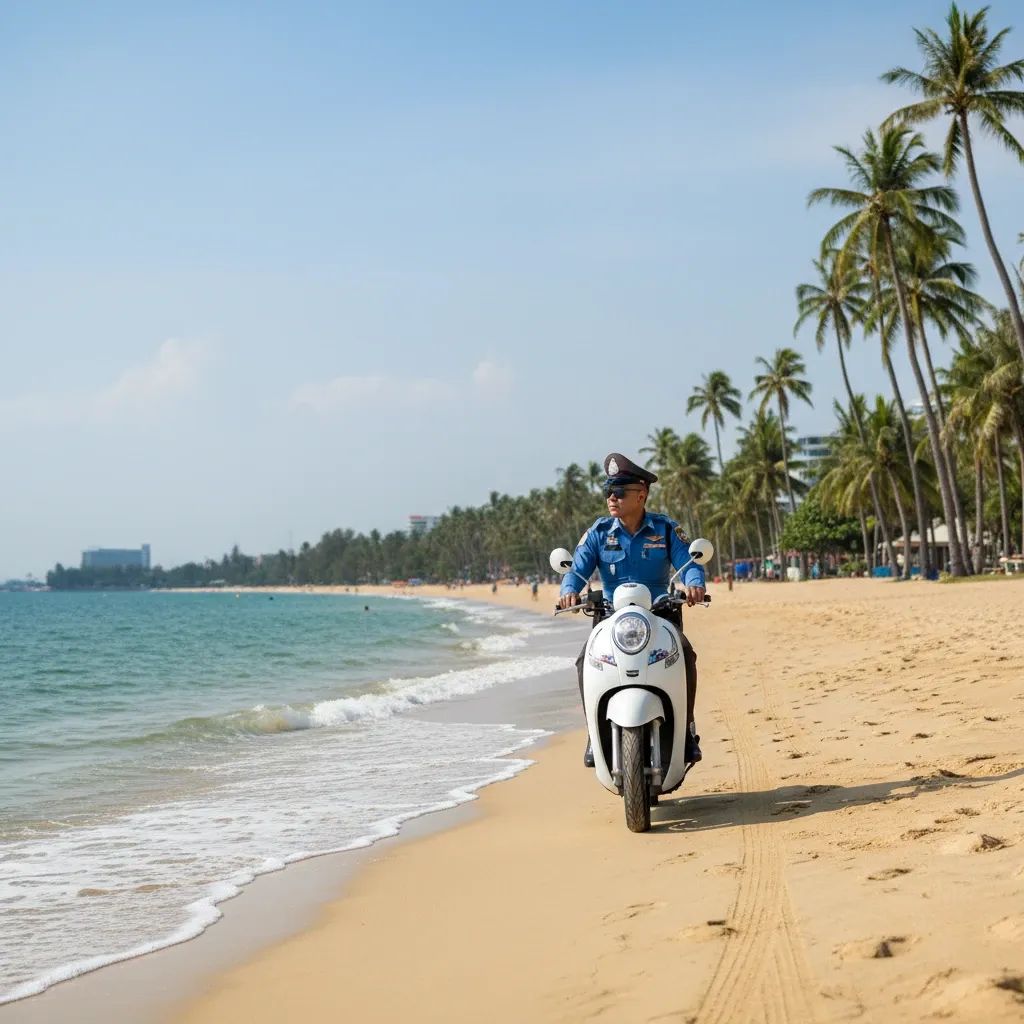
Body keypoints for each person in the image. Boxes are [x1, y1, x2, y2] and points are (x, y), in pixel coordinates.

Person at [558, 453, 706, 766]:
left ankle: (687, 729)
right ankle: (593, 734)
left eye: (620, 491)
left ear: (641, 494)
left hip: (660, 616)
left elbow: (688, 563)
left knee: (686, 655)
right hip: (611, 619)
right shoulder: (599, 532)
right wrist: (569, 591)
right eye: (608, 492)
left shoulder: (665, 529)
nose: (612, 497)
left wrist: (694, 584)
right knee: (585, 660)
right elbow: (578, 568)